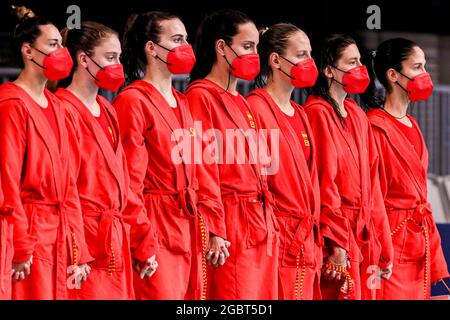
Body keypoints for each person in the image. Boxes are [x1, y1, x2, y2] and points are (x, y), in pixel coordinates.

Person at [56, 21, 158, 299]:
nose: (117, 66)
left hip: (114, 236)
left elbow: (125, 186)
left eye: (119, 58)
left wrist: (141, 241)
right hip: (84, 240)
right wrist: (75, 250)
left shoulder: (108, 110)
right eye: (110, 58)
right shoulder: (63, 110)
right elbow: (65, 190)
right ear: (84, 59)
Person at [186, 9, 279, 299]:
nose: (254, 54)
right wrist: (215, 227)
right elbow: (202, 168)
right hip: (231, 222)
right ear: (221, 47)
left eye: (256, 47)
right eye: (246, 46)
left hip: (258, 223)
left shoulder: (243, 101)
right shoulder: (200, 95)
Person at [0, 6, 91, 300]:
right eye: (53, 45)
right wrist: (21, 244)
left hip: (59, 234)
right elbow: (7, 182)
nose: (62, 52)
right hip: (31, 231)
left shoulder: (59, 107)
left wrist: (78, 248)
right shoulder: (12, 105)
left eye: (62, 45)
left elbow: (70, 186)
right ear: (28, 52)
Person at [114, 11, 205, 299]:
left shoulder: (182, 102)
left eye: (186, 40)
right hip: (155, 225)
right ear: (151, 48)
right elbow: (129, 183)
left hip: (186, 226)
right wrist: (142, 239)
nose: (186, 47)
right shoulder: (132, 101)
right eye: (177, 40)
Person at [304, 34, 393, 300]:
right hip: (339, 236)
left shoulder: (356, 113)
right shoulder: (317, 112)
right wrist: (338, 243)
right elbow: (324, 183)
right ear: (329, 70)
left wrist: (383, 245)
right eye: (351, 62)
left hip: (366, 234)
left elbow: (373, 184)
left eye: (361, 63)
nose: (360, 70)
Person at [367, 38, 449, 299]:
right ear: (393, 75)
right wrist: (381, 247)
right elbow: (372, 195)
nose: (424, 74)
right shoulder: (374, 126)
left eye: (425, 67)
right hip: (390, 240)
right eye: (417, 67)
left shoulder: (413, 123)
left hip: (420, 240)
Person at [246, 23, 322, 300]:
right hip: (276, 238)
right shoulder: (254, 108)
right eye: (301, 55)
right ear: (276, 60)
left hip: (306, 240)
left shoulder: (301, 114)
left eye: (310, 55)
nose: (310, 63)